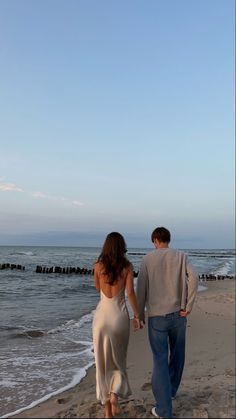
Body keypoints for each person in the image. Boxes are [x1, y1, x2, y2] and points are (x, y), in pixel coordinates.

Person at [136, 227, 199, 419]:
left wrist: (139, 314)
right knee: (178, 355)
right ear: (168, 240)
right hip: (178, 314)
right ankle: (170, 390)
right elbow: (194, 278)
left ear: (155, 240)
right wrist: (188, 306)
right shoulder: (181, 256)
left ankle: (164, 409)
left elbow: (141, 289)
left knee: (160, 360)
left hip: (157, 316)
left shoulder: (147, 259)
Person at [92, 232, 141, 418]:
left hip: (101, 318)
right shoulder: (127, 266)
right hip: (119, 317)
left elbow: (97, 288)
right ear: (122, 246)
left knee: (101, 362)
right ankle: (114, 395)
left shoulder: (97, 266)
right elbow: (130, 293)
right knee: (118, 360)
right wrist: (137, 315)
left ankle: (106, 410)